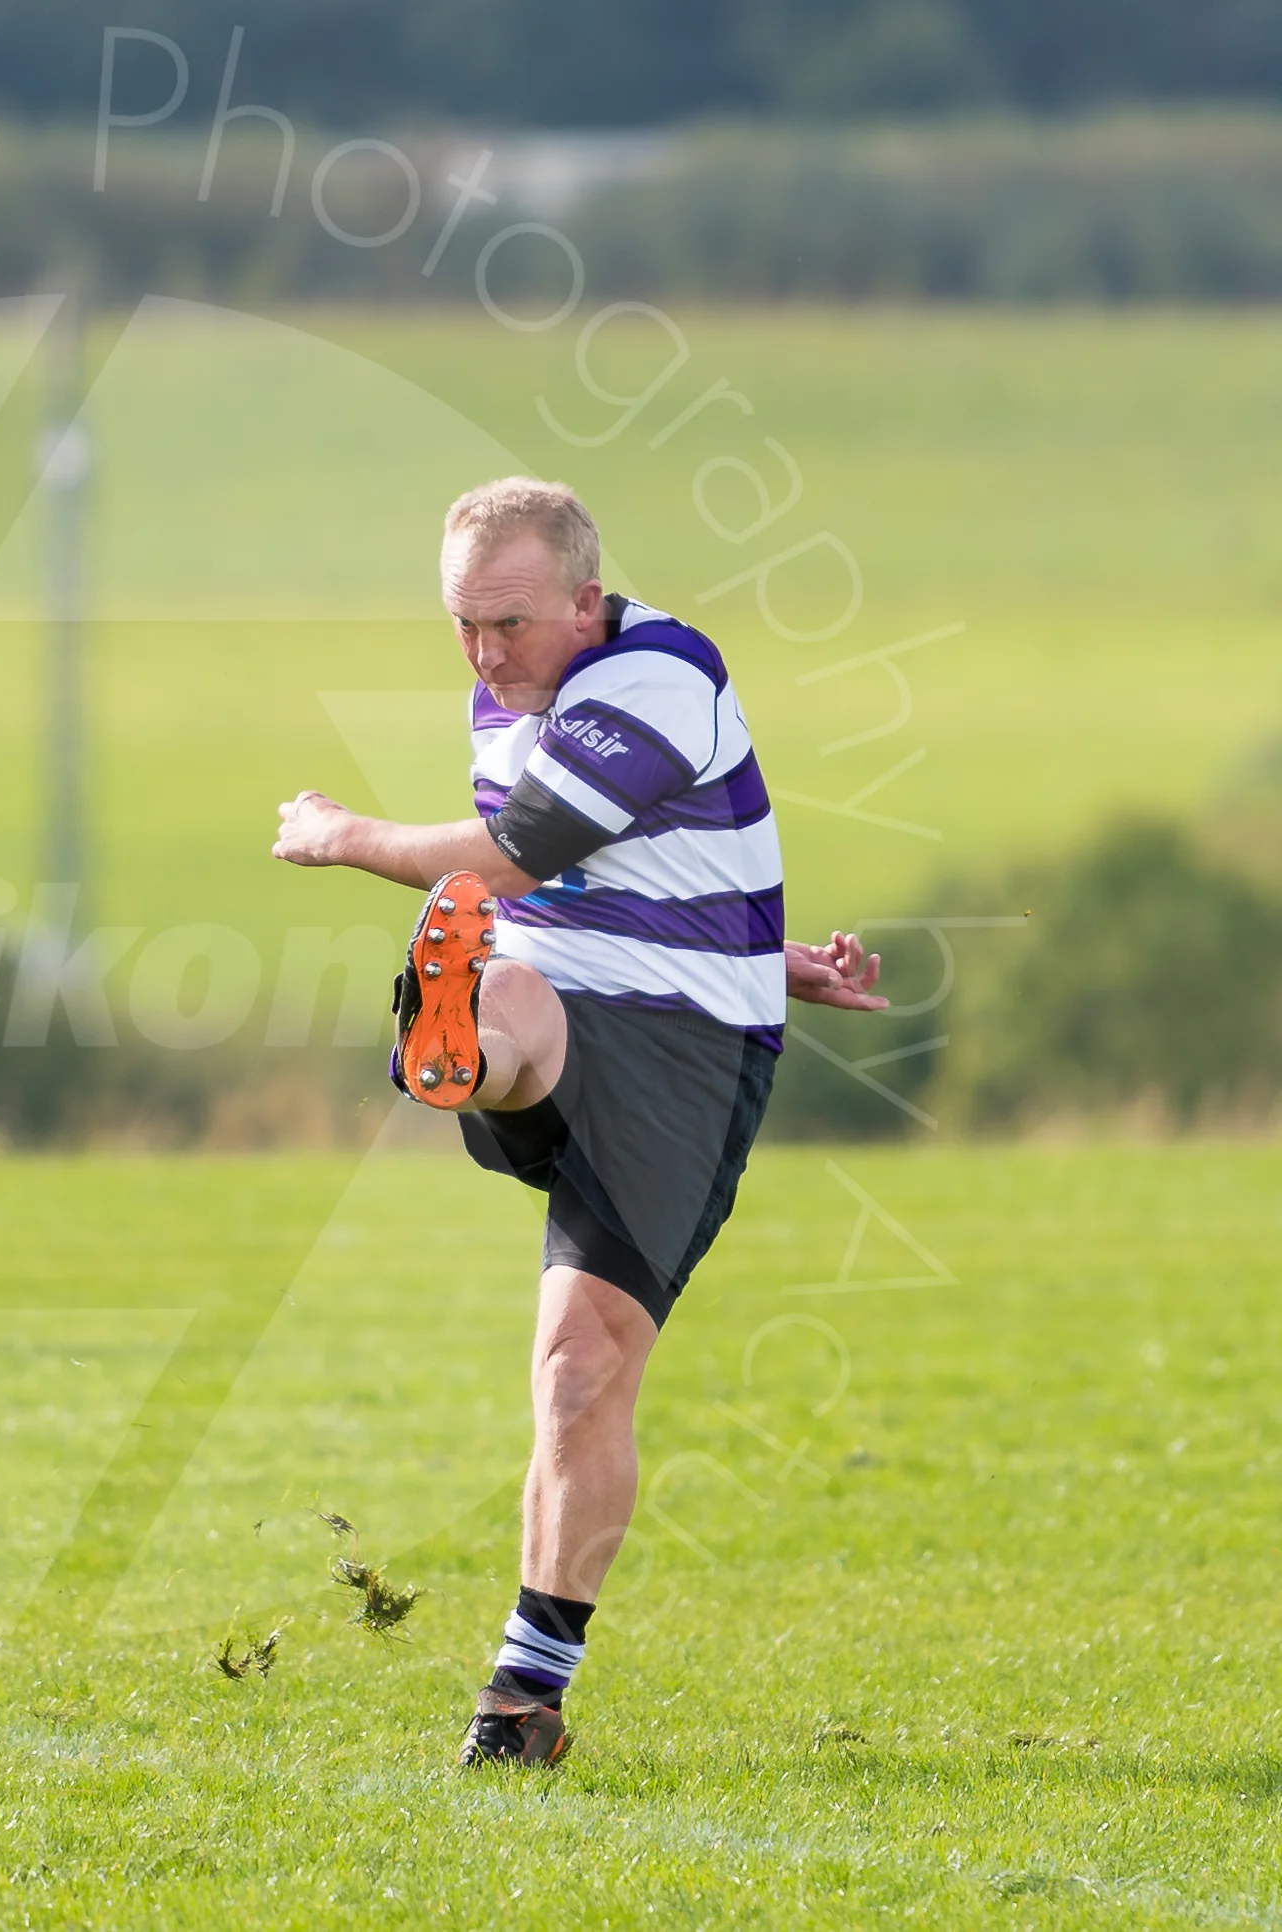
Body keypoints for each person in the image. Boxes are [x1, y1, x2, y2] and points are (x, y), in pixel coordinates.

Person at [272, 477, 885, 1766]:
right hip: (572, 1008)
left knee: (578, 1376)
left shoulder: (656, 677)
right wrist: (772, 953)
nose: (488, 655)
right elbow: (624, 887)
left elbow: (517, 856)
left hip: (688, 1061)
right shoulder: (511, 695)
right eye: (463, 625)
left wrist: (342, 833)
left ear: (585, 600)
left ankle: (523, 1698)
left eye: (509, 623)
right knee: (518, 981)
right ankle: (463, 1050)